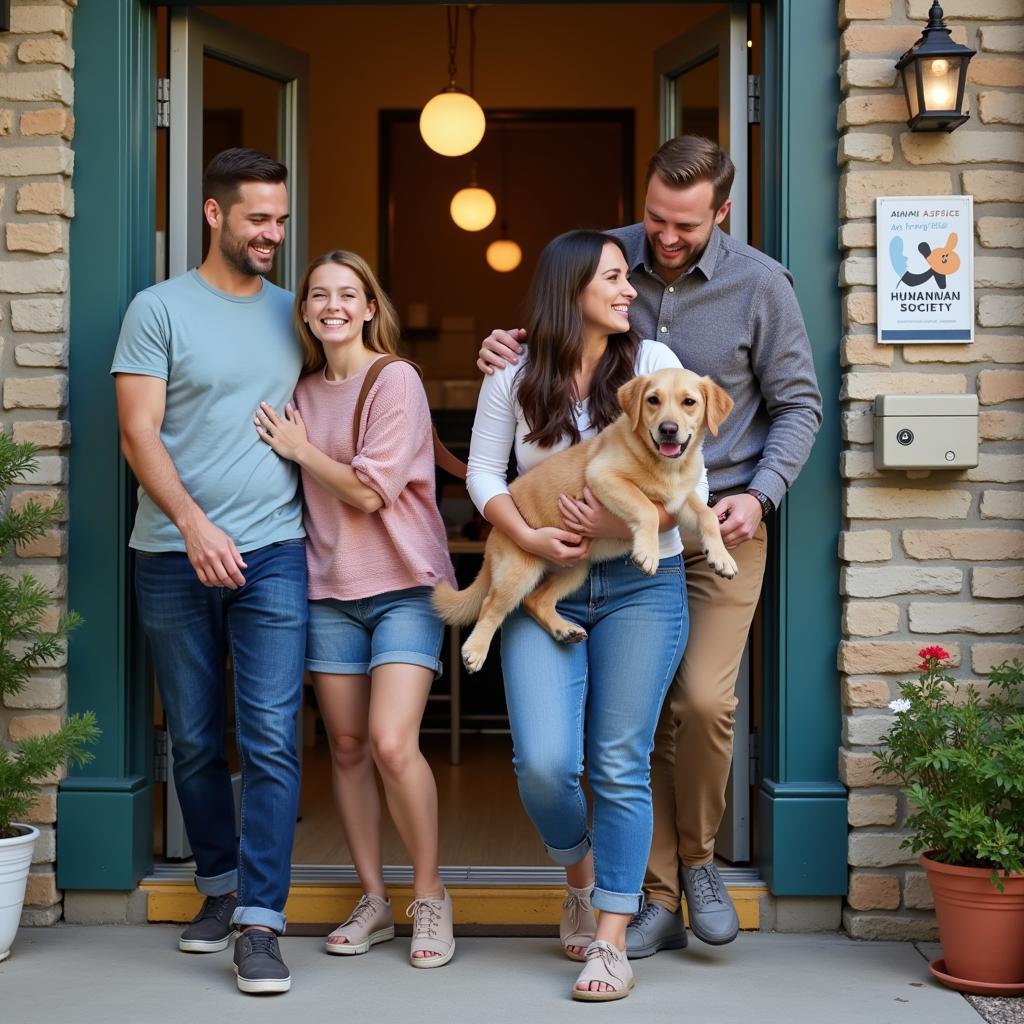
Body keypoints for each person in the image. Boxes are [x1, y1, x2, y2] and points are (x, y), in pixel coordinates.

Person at [478, 135, 822, 956]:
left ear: (721, 213)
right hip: (602, 538)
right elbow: (545, 344)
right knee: (592, 747)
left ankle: (691, 865)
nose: (662, 241)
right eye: (655, 220)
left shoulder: (761, 286)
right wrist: (507, 348)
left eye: (685, 226)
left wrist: (755, 496)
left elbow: (800, 405)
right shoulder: (608, 262)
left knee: (698, 704)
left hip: (716, 518)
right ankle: (649, 892)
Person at [467, 229, 696, 1001]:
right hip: (547, 587)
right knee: (542, 763)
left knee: (619, 760)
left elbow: (685, 487)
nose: (630, 290)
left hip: (639, 584)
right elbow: (480, 473)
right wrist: (525, 532)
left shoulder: (656, 368)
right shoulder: (512, 376)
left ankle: (610, 939)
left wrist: (617, 525)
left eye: (627, 280)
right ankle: (580, 872)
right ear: (571, 292)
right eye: (613, 279)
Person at [112, 148, 305, 995]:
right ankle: (219, 889)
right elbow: (137, 432)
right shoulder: (156, 310)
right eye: (259, 218)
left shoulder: (298, 312)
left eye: (281, 219)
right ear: (215, 214)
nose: (273, 233)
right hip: (170, 554)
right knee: (193, 738)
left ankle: (262, 922)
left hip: (275, 551)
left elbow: (370, 374)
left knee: (268, 736)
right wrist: (193, 525)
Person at [253, 251, 458, 969]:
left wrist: (301, 451)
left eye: (348, 294)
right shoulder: (301, 391)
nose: (333, 305)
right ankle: (374, 898)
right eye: (319, 295)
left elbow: (371, 492)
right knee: (344, 748)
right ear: (305, 311)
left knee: (392, 742)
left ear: (371, 306)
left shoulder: (394, 377)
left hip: (405, 584)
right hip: (328, 590)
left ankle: (429, 894)